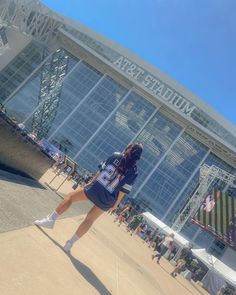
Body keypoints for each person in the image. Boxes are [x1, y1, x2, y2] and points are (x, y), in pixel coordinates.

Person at [34, 142, 143, 252]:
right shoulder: (134, 172)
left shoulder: (116, 155)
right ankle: (70, 243)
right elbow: (123, 191)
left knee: (70, 197)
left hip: (96, 188)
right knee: (90, 219)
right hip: (108, 198)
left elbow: (101, 171)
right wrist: (115, 204)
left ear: (128, 148)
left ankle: (51, 220)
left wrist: (91, 182)